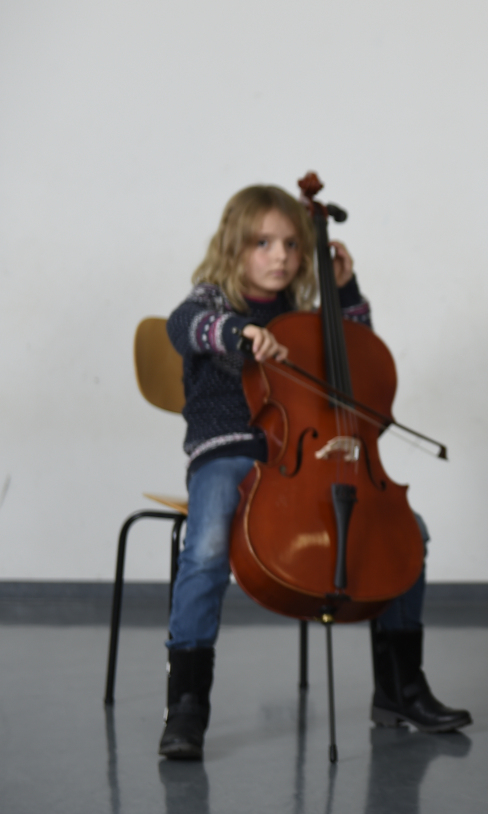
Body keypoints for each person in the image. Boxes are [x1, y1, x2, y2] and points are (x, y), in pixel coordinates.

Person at [159, 185, 471, 760]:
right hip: (228, 451)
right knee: (203, 545)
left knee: (408, 531)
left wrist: (345, 291)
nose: (279, 256)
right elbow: (185, 326)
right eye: (262, 243)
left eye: (291, 245)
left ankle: (400, 688)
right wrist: (241, 333)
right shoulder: (212, 302)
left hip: (306, 456)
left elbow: (358, 358)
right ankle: (186, 705)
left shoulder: (305, 315)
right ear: (235, 248)